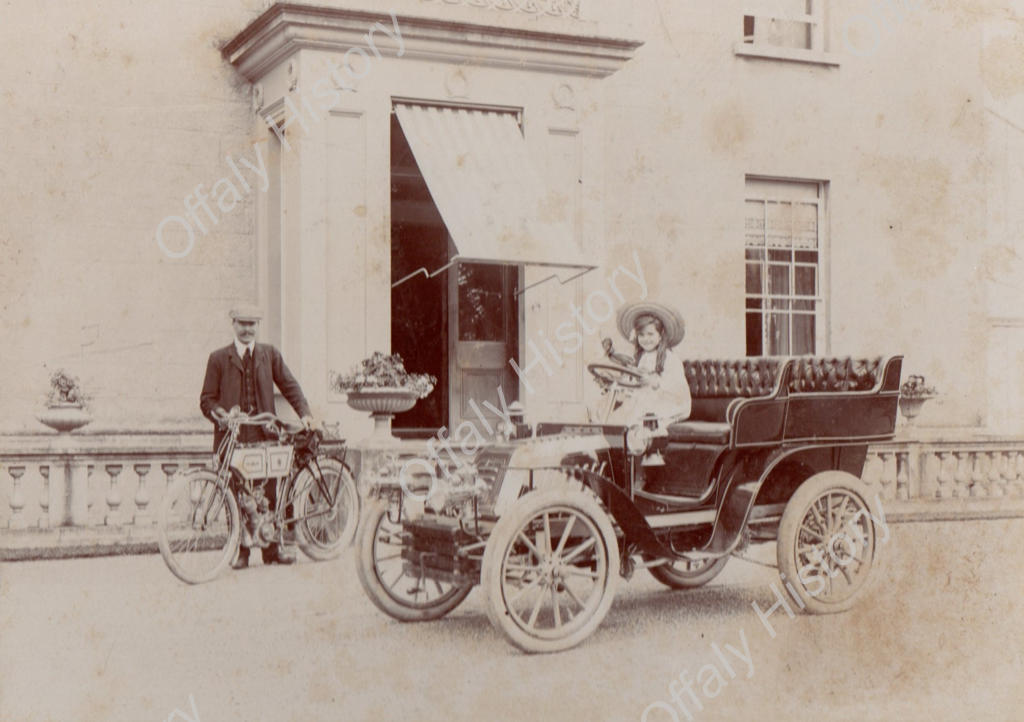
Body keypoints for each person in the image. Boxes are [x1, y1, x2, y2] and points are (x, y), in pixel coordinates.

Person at [199, 305, 314, 568]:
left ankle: (272, 550)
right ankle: (242, 551)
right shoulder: (218, 358)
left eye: (252, 324)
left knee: (269, 492)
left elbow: (289, 385)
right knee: (236, 494)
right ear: (233, 324)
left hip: (265, 434)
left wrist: (304, 413)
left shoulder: (269, 354)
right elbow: (207, 399)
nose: (248, 329)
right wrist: (220, 413)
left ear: (258, 326)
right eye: (242, 323)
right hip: (233, 437)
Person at [604, 301, 691, 424]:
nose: (646, 339)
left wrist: (655, 383)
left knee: (640, 420)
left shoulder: (670, 359)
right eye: (641, 335)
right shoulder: (640, 358)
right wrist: (618, 384)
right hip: (640, 402)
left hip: (663, 404)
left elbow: (679, 390)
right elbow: (632, 385)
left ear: (660, 336)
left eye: (650, 334)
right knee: (613, 418)